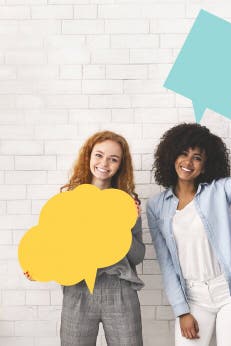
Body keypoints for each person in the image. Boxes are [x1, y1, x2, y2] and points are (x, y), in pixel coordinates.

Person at [147, 100, 231, 346]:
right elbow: (166, 264)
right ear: (171, 156)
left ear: (204, 166)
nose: (188, 162)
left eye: (197, 157)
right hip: (193, 297)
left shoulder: (217, 192)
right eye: (183, 153)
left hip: (230, 292)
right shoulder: (156, 206)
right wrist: (182, 311)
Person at [43, 131, 145, 346]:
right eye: (99, 155)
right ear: (88, 156)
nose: (104, 163)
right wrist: (36, 267)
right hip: (77, 289)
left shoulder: (128, 203)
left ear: (120, 165)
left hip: (120, 290)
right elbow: (53, 248)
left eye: (113, 159)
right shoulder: (67, 200)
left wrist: (123, 225)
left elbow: (137, 256)